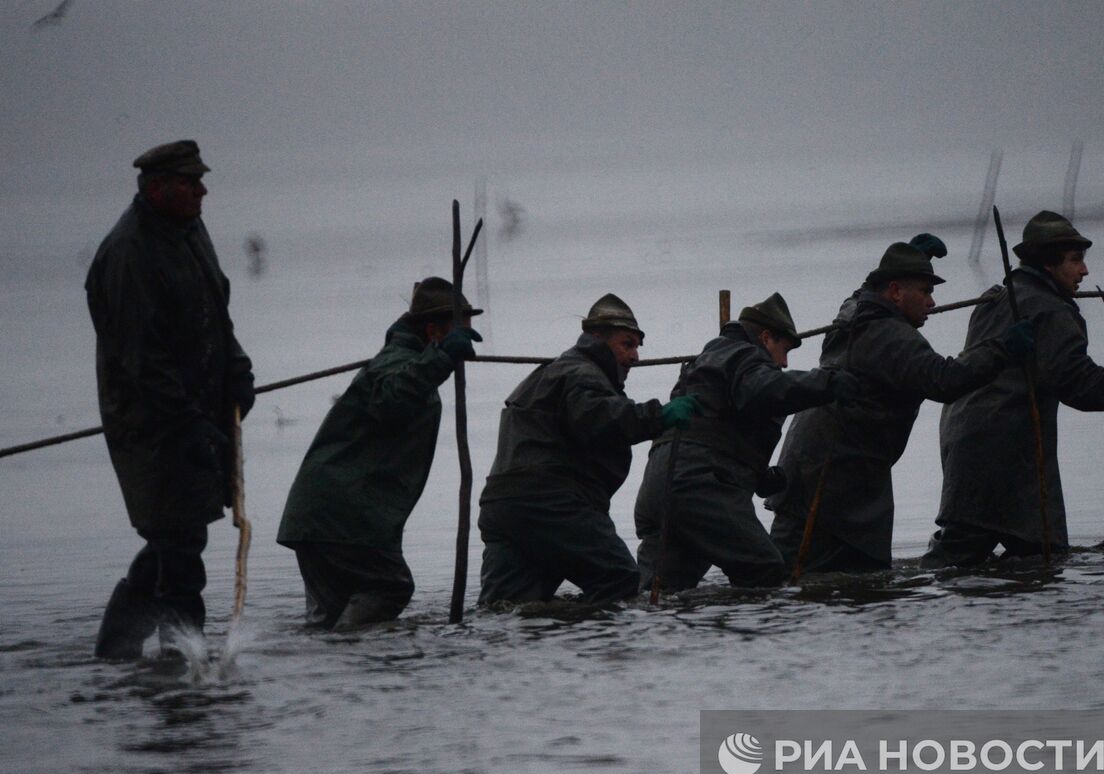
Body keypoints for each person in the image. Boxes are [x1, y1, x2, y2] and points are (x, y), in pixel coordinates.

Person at [925, 210, 1104, 567]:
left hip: (965, 434)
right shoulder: (1051, 309)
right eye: (1075, 261)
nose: (1084, 271)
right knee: (1017, 554)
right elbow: (1077, 383)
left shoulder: (997, 296)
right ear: (1048, 263)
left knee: (1002, 551)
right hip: (1003, 446)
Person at [767, 240, 1034, 573]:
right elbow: (945, 380)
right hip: (834, 481)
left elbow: (865, 290)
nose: (932, 303)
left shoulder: (853, 313)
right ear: (894, 291)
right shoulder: (890, 335)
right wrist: (1003, 348)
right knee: (789, 574)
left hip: (823, 469)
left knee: (845, 577)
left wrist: (909, 257)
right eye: (924, 290)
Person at [87, 140, 255, 660]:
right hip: (152, 430)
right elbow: (142, 360)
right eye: (190, 182)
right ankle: (186, 664)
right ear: (157, 189)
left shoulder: (188, 231)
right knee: (180, 547)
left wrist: (237, 368)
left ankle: (117, 651)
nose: (203, 190)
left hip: (199, 416)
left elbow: (213, 312)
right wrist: (187, 423)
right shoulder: (129, 252)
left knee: (175, 541)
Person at [276, 278, 482, 629]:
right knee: (390, 586)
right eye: (459, 331)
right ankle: (348, 653)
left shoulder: (404, 361)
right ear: (433, 331)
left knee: (328, 619)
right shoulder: (397, 361)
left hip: (322, 515)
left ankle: (326, 673)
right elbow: (392, 398)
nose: (467, 338)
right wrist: (443, 357)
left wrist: (439, 357)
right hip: (343, 517)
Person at [477, 295, 698, 605]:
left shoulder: (551, 373)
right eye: (627, 344)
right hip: (551, 504)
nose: (634, 356)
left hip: (502, 507)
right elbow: (600, 418)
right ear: (597, 338)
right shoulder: (582, 375)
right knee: (618, 579)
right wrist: (659, 415)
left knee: (508, 606)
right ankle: (592, 646)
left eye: (637, 347)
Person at [635, 293, 859, 592]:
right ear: (766, 337)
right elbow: (764, 390)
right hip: (696, 485)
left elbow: (714, 431)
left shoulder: (707, 361)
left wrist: (758, 475)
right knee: (762, 568)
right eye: (784, 349)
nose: (783, 362)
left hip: (660, 484)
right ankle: (751, 637)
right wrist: (827, 383)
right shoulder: (743, 355)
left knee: (660, 590)